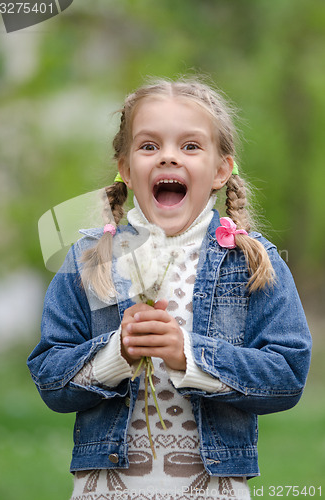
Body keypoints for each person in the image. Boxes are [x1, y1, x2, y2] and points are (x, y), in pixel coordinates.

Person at [27, 78, 312, 500]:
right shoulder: (91, 258)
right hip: (106, 490)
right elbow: (49, 377)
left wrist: (190, 357)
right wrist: (115, 353)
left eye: (191, 146)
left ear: (220, 170)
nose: (168, 158)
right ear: (125, 169)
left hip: (212, 490)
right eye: (149, 146)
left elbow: (287, 376)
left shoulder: (253, 260)